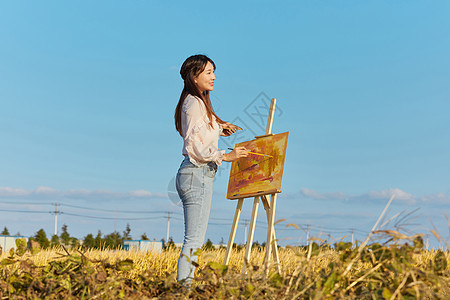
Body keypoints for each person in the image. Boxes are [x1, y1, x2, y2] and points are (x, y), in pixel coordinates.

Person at [174, 54, 248, 282]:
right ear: (194, 76)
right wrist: (226, 156)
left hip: (192, 174)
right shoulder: (195, 103)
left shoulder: (192, 102)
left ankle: (183, 289)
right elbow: (195, 146)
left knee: (193, 239)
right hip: (197, 174)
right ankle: (182, 292)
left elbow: (198, 133)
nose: (214, 77)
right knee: (193, 240)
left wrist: (218, 127)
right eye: (208, 72)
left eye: (214, 72)